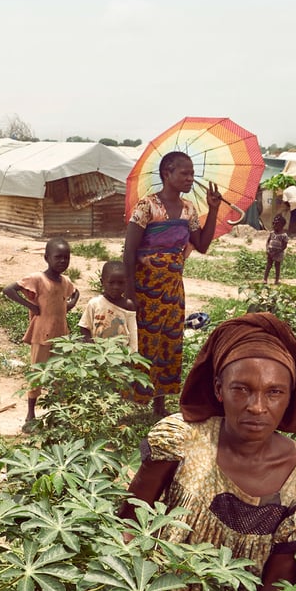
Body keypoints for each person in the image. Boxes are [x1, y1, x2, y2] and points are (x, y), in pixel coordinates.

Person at [119, 312, 296, 591]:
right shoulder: (182, 439)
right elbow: (129, 523)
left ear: (290, 397)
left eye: (274, 392)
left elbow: (278, 582)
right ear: (218, 389)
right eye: (241, 389)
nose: (257, 406)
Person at [123, 151, 222, 416]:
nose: (191, 178)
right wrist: (130, 294)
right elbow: (129, 252)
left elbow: (201, 245)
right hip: (145, 289)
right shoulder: (147, 207)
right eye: (184, 173)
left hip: (173, 289)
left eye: (192, 173)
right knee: (142, 343)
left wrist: (213, 210)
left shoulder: (189, 209)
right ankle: (135, 403)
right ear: (167, 173)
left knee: (169, 342)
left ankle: (159, 404)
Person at [3, 238, 80, 425]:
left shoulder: (66, 281)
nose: (62, 261)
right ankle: (31, 413)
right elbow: (9, 290)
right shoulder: (38, 279)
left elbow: (75, 292)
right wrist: (31, 305)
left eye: (66, 257)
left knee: (59, 375)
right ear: (47, 258)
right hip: (41, 334)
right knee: (37, 374)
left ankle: (56, 414)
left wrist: (70, 304)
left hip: (61, 335)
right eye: (58, 257)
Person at [78, 260, 137, 352]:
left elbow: (133, 333)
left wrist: (132, 354)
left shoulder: (128, 305)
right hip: (97, 353)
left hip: (121, 355)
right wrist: (91, 347)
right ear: (102, 282)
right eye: (111, 283)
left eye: (120, 283)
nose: (116, 287)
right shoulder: (94, 303)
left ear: (126, 283)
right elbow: (84, 327)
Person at [264, 214, 290, 285]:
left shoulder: (284, 235)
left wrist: (277, 252)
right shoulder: (272, 233)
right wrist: (267, 249)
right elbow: (268, 241)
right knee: (268, 266)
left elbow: (284, 246)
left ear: (281, 225)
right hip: (270, 252)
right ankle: (265, 279)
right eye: (274, 224)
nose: (274, 226)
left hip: (278, 253)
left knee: (277, 266)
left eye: (276, 224)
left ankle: (276, 280)